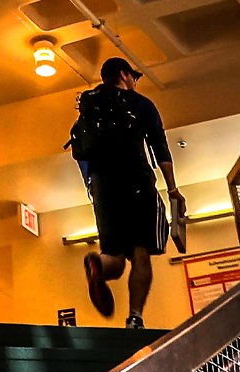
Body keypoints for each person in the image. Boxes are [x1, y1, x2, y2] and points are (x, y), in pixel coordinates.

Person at [74, 58, 182, 329]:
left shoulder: (90, 107)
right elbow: (160, 147)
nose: (134, 81)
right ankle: (135, 317)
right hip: (136, 183)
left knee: (116, 260)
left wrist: (94, 189)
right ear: (124, 75)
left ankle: (98, 263)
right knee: (140, 254)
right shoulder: (140, 104)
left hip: (102, 188)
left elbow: (81, 151)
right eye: (133, 76)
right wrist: (172, 188)